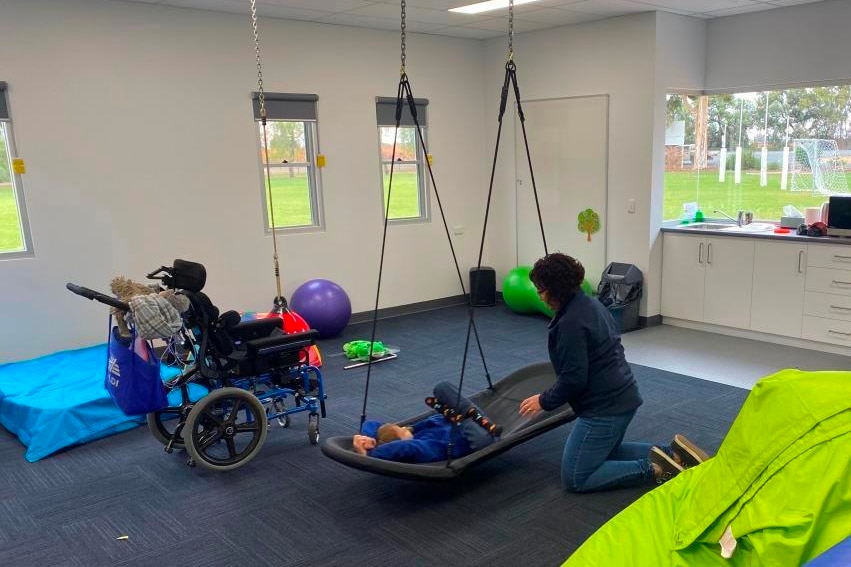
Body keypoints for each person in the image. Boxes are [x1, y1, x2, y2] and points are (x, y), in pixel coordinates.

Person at [518, 252, 710, 493]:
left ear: (555, 289)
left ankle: (655, 469)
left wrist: (543, 401)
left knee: (576, 476)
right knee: (606, 452)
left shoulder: (571, 323)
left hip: (605, 409)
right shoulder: (589, 303)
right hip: (623, 395)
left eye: (541, 290)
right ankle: (674, 454)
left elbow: (574, 379)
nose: (539, 296)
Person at [352, 380, 500, 463]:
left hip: (464, 419)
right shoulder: (421, 446)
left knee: (441, 387)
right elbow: (403, 448)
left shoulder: (416, 430)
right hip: (476, 439)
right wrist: (367, 456)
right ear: (401, 442)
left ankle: (462, 414)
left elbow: (372, 424)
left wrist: (365, 436)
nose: (406, 428)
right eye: (402, 431)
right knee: (476, 431)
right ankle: (464, 415)